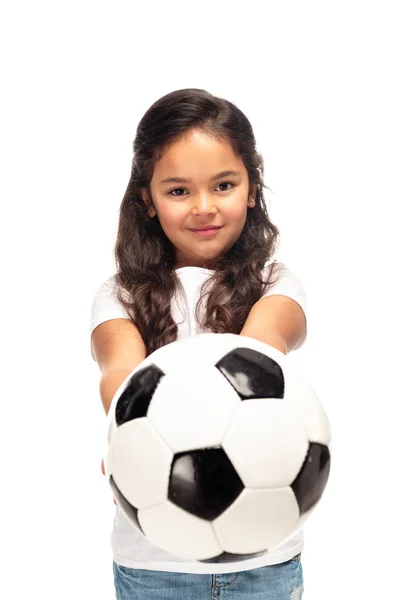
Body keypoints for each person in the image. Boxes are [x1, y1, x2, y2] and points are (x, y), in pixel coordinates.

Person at [90, 88, 308, 600]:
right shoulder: (119, 295)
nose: (204, 208)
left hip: (265, 560)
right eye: (178, 191)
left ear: (252, 188)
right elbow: (120, 369)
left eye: (224, 185)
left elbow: (265, 341)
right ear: (147, 199)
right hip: (153, 564)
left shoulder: (276, 282)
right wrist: (128, 432)